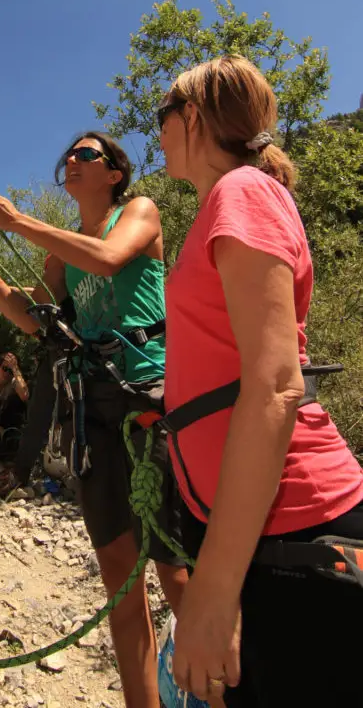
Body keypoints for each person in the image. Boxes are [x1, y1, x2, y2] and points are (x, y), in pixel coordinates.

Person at [0, 132, 187, 708]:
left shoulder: (139, 212)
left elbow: (107, 258)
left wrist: (18, 222)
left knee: (175, 574)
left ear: (113, 174)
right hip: (92, 410)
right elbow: (35, 319)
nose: (72, 162)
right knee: (118, 579)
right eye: (69, 156)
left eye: (86, 155)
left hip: (147, 399)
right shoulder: (63, 250)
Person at [158, 56, 363, 706]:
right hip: (251, 525)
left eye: (159, 118)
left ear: (190, 116)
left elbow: (275, 386)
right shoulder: (229, 201)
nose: (154, 133)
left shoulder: (241, 192)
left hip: (291, 528)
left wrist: (213, 593)